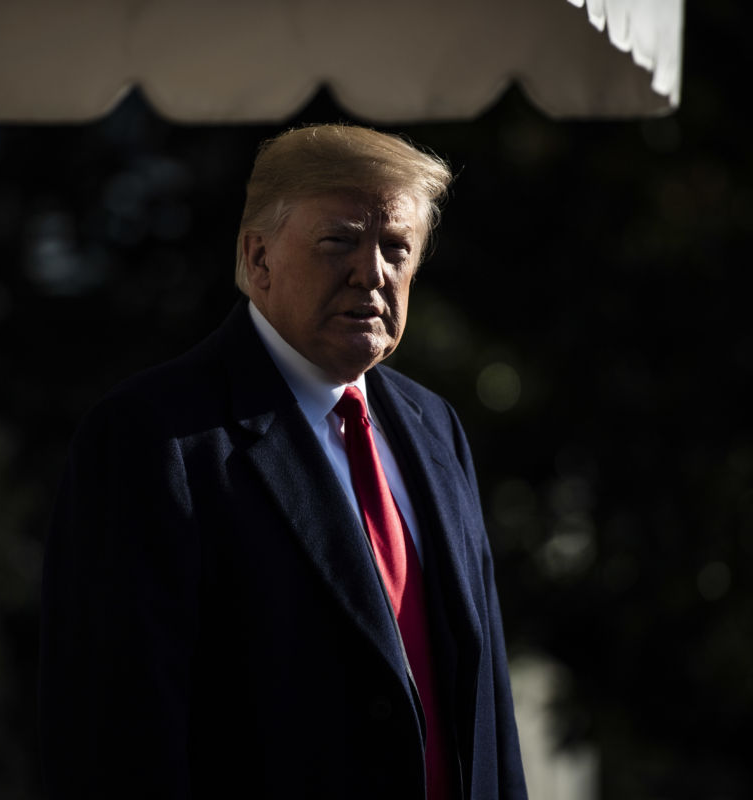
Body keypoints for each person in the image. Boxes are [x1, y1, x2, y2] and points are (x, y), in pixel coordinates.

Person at [40, 123, 527, 799]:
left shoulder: (435, 427)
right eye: (339, 242)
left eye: (396, 248)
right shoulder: (151, 438)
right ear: (258, 256)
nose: (372, 272)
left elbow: (488, 713)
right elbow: (114, 739)